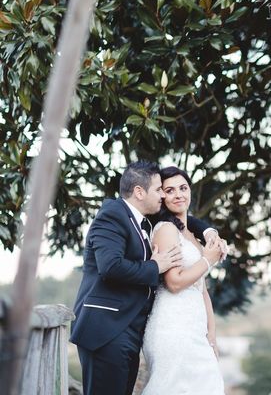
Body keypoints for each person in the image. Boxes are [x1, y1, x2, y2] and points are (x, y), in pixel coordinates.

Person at [70, 161, 222, 395]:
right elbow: (109, 266)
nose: (164, 196)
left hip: (131, 330)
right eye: (161, 190)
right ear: (140, 192)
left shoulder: (144, 221)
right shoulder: (112, 214)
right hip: (106, 329)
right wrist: (155, 266)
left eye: (178, 189)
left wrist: (208, 231)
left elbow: (182, 218)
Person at [141, 166, 227, 394]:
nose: (178, 194)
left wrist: (211, 334)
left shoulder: (193, 235)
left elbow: (202, 290)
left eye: (183, 188)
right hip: (172, 327)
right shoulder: (166, 230)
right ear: (161, 196)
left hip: (194, 329)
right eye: (170, 190)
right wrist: (208, 260)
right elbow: (174, 282)